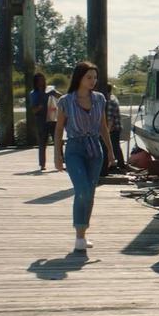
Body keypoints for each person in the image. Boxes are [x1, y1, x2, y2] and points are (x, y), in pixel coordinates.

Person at [54, 61, 116, 252]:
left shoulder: (99, 99)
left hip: (95, 150)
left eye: (95, 77)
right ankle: (79, 234)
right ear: (79, 78)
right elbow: (58, 130)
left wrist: (111, 152)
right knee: (82, 189)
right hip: (74, 148)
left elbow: (103, 127)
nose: (93, 81)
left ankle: (81, 235)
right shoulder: (65, 101)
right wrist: (57, 155)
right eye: (89, 77)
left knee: (90, 192)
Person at [29, 73, 60, 171]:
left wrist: (55, 94)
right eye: (39, 80)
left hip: (53, 119)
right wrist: (41, 104)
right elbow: (34, 110)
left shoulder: (50, 90)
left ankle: (60, 161)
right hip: (41, 121)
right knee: (42, 143)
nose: (41, 82)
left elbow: (62, 97)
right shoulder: (34, 93)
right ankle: (42, 164)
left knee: (58, 141)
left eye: (43, 80)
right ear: (36, 82)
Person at [104, 83, 125, 174]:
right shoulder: (113, 98)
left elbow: (110, 120)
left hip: (113, 129)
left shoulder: (110, 102)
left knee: (114, 147)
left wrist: (106, 133)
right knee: (115, 147)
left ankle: (119, 165)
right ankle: (118, 164)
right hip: (116, 127)